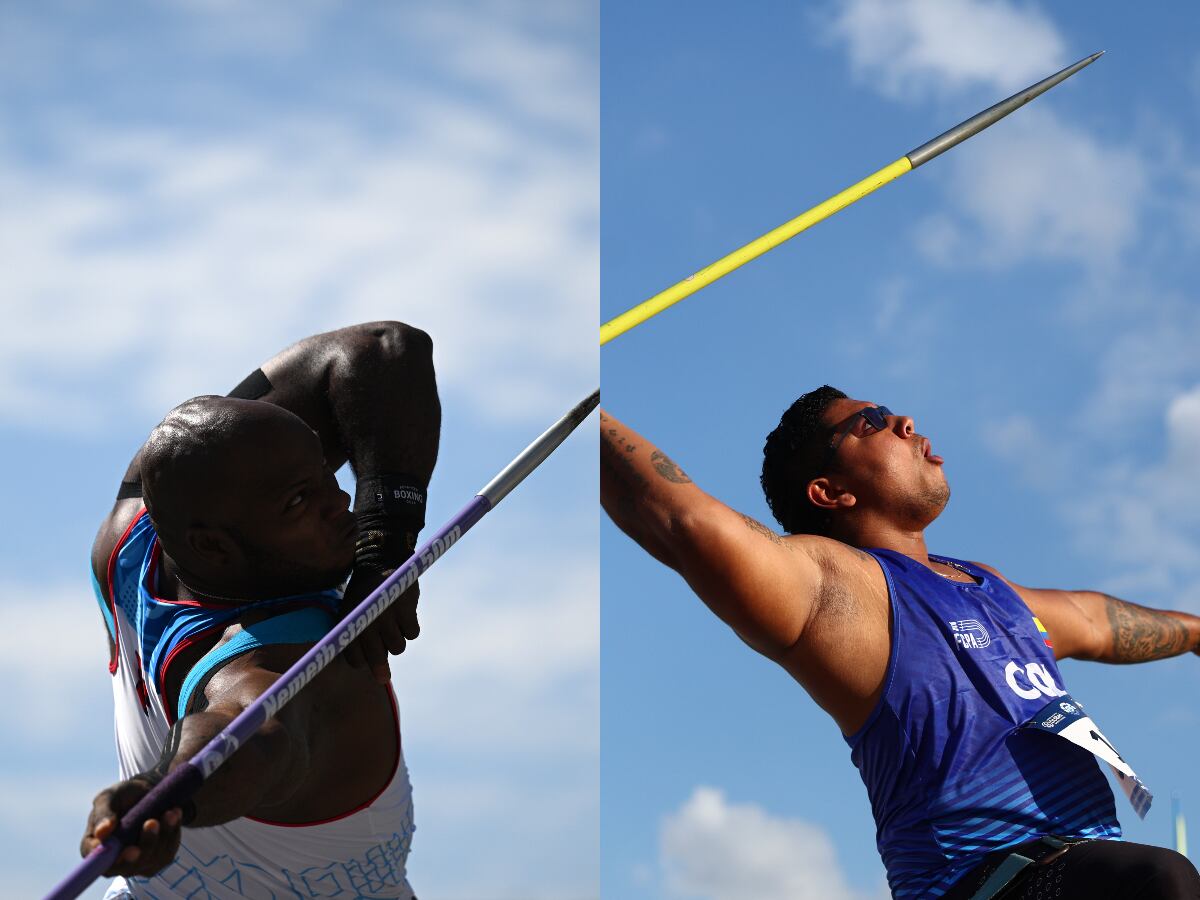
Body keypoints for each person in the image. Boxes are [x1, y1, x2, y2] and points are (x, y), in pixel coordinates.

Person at [600, 386, 1200, 899]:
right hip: (982, 883)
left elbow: (1095, 621)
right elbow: (684, 522)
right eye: (870, 423)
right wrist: (588, 415)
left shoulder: (993, 592)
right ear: (829, 492)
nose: (904, 421)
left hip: (1087, 865)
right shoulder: (835, 590)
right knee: (1160, 879)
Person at [79, 321, 440, 900]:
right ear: (214, 547)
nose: (340, 501)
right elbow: (249, 730)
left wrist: (386, 544)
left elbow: (386, 350)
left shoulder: (134, 529)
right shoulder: (291, 659)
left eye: (327, 475)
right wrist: (168, 792)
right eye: (299, 501)